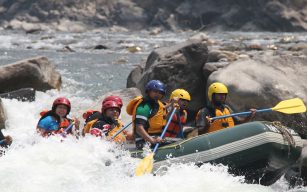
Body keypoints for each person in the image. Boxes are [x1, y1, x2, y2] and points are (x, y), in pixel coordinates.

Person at [126, 80, 169, 150]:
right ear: (149, 91)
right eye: (155, 91)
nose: (157, 94)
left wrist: (173, 104)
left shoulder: (156, 104)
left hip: (153, 137)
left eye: (160, 92)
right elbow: (139, 128)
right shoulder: (144, 106)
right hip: (142, 141)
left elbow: (162, 110)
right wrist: (152, 140)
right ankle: (128, 148)